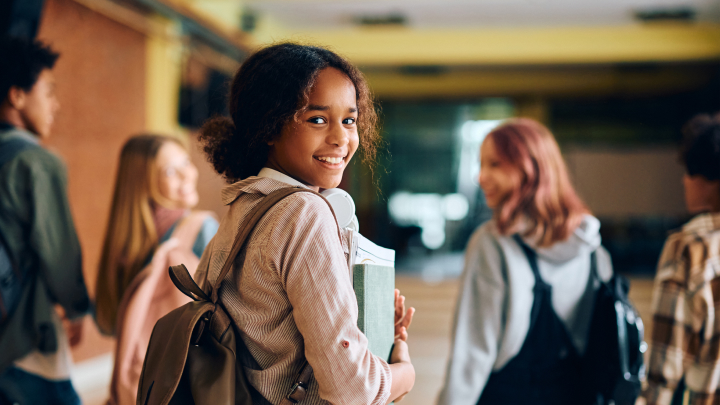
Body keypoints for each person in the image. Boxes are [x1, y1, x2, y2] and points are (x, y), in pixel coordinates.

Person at [194, 43, 416, 404]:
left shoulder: (246, 204)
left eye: (349, 120)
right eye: (317, 119)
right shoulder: (304, 213)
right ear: (269, 125)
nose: (341, 138)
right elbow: (351, 389)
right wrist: (402, 372)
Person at [437, 118, 614, 405]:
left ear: (530, 168)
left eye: (495, 164)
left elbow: (472, 353)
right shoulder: (590, 245)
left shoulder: (493, 243)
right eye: (482, 165)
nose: (480, 177)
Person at [94, 134, 218, 405]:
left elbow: (107, 324)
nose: (188, 174)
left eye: (186, 162)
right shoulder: (200, 229)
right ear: (144, 182)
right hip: (181, 382)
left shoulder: (123, 242)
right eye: (171, 171)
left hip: (139, 383)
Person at [0, 36, 90, 404]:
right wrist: (77, 307)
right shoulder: (35, 161)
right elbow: (58, 251)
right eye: (48, 91)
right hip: (23, 331)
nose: (56, 104)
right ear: (17, 96)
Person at [643, 115, 720, 405]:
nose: (684, 181)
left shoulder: (690, 248)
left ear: (708, 181)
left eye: (688, 172)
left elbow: (665, 367)